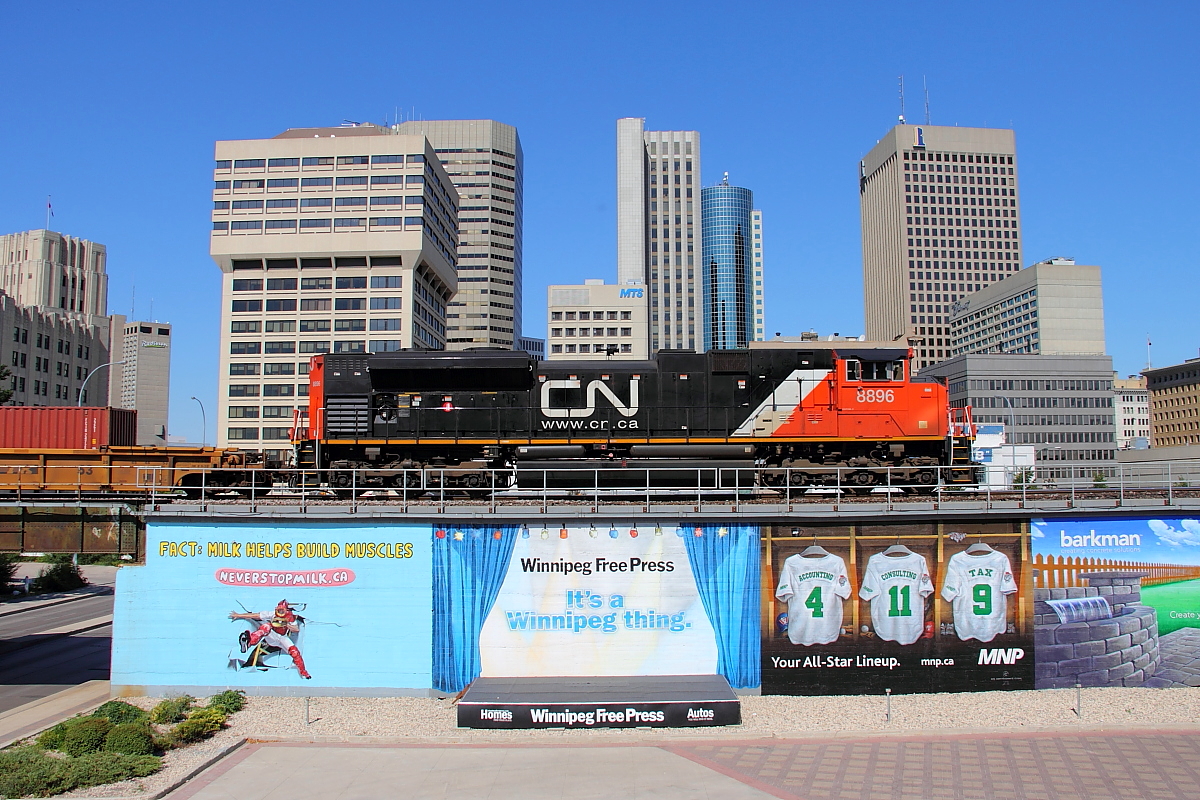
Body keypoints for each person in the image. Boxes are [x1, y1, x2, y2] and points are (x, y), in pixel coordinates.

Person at [229, 600, 311, 679]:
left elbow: (296, 629)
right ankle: (249, 642)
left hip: (283, 638)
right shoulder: (272, 614)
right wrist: (238, 615)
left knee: (295, 652)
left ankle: (303, 672)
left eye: (282, 610)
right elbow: (255, 615)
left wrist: (286, 624)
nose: (280, 612)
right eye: (279, 610)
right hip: (272, 635)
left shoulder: (290, 617)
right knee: (266, 626)